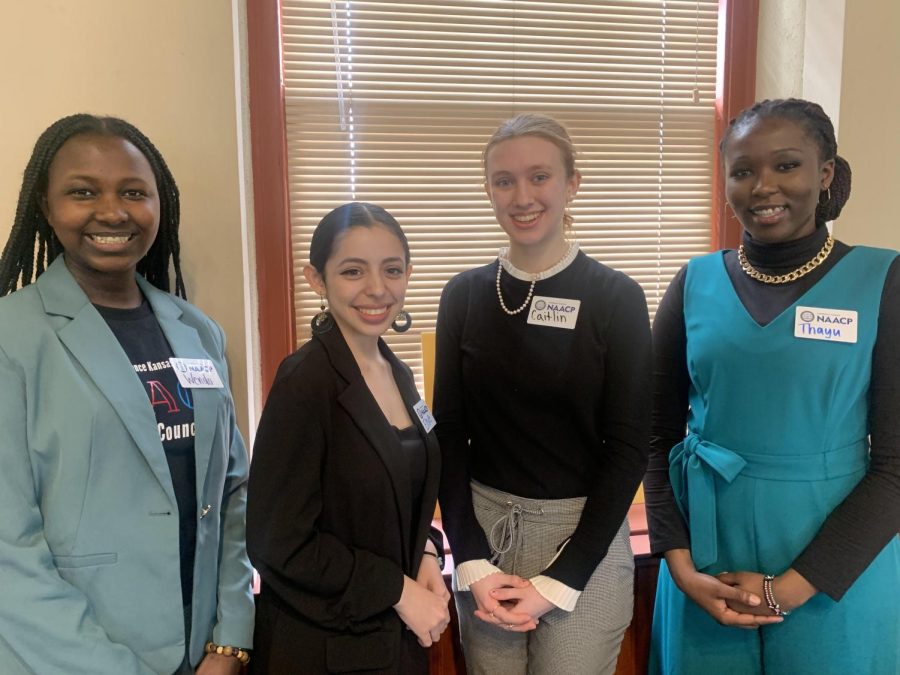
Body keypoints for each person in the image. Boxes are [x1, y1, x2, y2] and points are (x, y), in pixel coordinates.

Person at [645, 98, 900, 674]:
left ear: (825, 173)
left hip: (834, 568)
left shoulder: (883, 281)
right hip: (707, 563)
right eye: (743, 170)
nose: (764, 186)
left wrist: (790, 589)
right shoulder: (693, 283)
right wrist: (679, 564)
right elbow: (654, 436)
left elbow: (896, 465)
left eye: (786, 165)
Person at [0, 114, 255, 674]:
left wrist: (229, 641)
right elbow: (7, 551)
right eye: (83, 192)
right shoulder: (13, 338)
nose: (112, 211)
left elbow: (234, 491)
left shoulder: (198, 331)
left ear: (159, 206)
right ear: (46, 207)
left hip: (204, 654)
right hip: (66, 657)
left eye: (134, 192)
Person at [434, 113, 652, 674]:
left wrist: (564, 577)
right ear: (488, 190)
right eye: (503, 181)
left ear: (571, 182)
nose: (521, 196)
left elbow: (629, 447)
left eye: (539, 177)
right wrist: (472, 560)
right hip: (486, 537)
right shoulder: (463, 295)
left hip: (586, 538)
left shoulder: (616, 298)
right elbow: (449, 436)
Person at [246, 202, 450, 674]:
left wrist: (424, 549)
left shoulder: (395, 371)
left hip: (391, 643)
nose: (377, 289)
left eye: (392, 270)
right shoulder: (305, 381)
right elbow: (277, 542)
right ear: (317, 279)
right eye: (353, 271)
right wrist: (396, 590)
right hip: (321, 648)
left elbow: (395, 495)